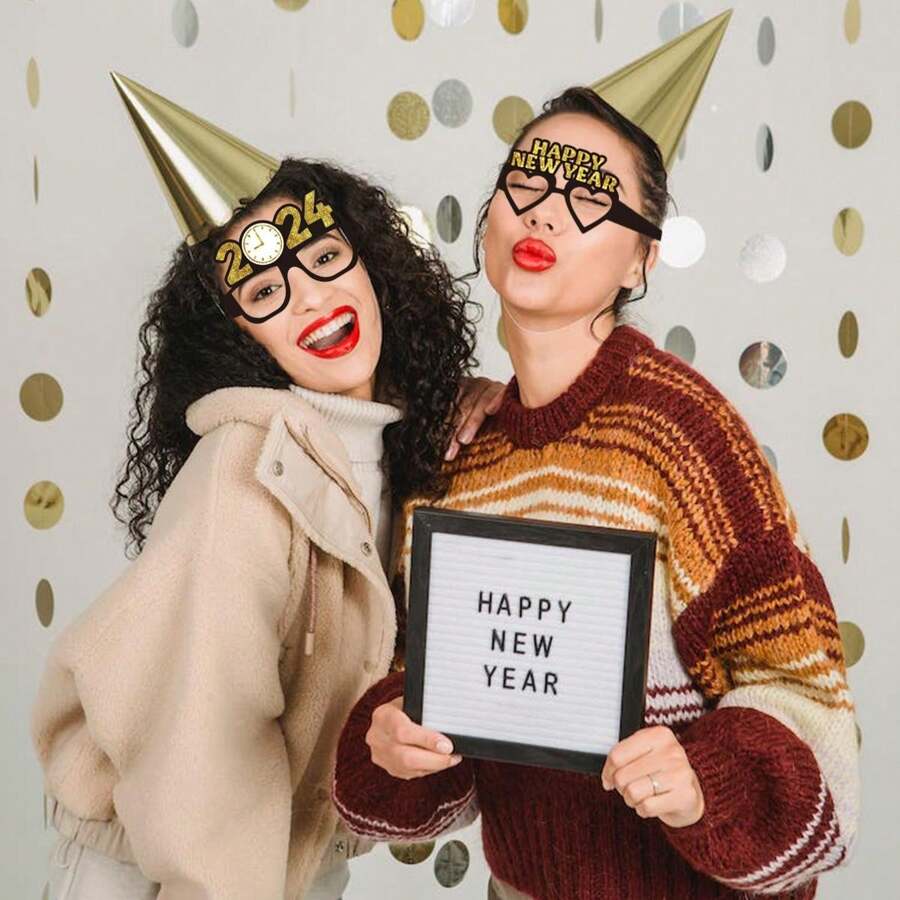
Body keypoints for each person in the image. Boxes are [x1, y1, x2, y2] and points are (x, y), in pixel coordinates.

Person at [331, 87, 861, 900]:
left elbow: (810, 703)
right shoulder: (457, 456)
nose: (545, 214)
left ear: (641, 260)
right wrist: (398, 742)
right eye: (525, 185)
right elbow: (455, 741)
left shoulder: (684, 433)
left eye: (589, 199)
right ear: (488, 221)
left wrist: (705, 782)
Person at [30, 87, 503, 899]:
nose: (311, 297)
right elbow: (201, 747)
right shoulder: (246, 468)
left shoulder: (401, 444)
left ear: (374, 267)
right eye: (262, 293)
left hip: (295, 855)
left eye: (324, 258)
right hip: (166, 869)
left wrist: (491, 403)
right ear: (238, 340)